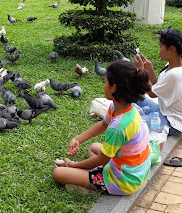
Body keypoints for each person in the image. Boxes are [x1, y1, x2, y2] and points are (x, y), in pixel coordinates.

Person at [53, 61, 152, 196]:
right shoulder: (124, 109)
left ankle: (92, 186)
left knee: (58, 173)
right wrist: (77, 139)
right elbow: (103, 125)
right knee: (93, 147)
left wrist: (71, 164)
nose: (104, 86)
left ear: (114, 88)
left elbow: (102, 159)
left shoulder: (119, 126)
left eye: (105, 82)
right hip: (132, 171)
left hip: (124, 182)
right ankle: (90, 175)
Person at [134, 28, 182, 137]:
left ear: (171, 48)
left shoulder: (175, 74)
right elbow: (159, 88)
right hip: (164, 111)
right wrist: (150, 71)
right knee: (134, 96)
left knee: (131, 124)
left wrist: (143, 71)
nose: (159, 50)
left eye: (160, 46)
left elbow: (152, 94)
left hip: (174, 123)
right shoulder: (171, 66)